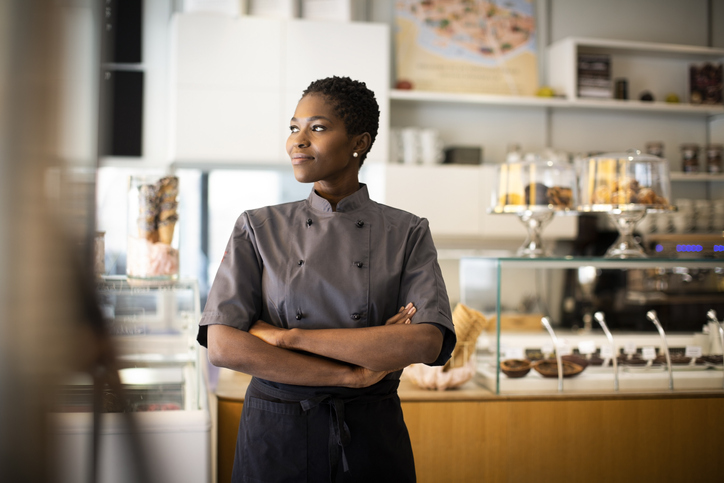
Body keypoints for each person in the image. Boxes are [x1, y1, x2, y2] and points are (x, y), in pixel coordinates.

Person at [197, 76, 456, 482]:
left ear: (360, 142)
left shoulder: (407, 231)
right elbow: (224, 345)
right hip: (276, 433)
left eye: (316, 128)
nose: (297, 141)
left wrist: (288, 337)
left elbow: (426, 340)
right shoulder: (258, 226)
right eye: (293, 127)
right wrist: (351, 372)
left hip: (370, 431)